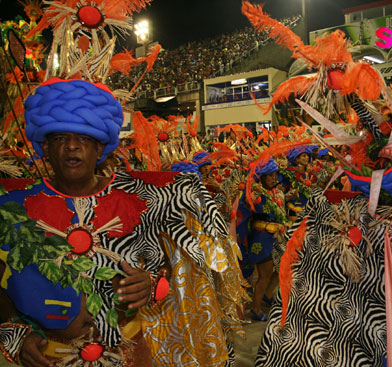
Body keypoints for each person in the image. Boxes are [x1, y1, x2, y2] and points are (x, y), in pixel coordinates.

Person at [0, 78, 243, 367]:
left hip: (130, 353)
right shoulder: (13, 207)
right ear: (45, 146)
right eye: (60, 138)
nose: (72, 147)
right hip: (46, 357)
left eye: (85, 138)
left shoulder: (140, 199)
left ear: (101, 148)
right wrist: (16, 332)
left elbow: (170, 271)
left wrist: (152, 285)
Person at [236, 158, 287, 321]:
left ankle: (266, 294)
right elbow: (243, 207)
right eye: (269, 176)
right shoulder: (255, 193)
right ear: (262, 177)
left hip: (276, 238)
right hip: (261, 239)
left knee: (279, 270)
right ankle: (256, 309)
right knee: (264, 276)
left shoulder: (277, 192)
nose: (274, 178)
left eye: (275, 175)